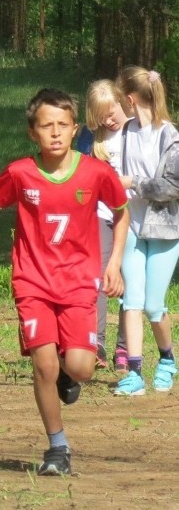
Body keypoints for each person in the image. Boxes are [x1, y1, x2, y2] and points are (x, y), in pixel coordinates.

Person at [0, 88, 129, 476]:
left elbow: (121, 213)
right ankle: (57, 447)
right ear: (32, 132)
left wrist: (115, 264)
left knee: (82, 368)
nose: (55, 133)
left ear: (75, 129)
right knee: (43, 366)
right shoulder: (21, 172)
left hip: (78, 283)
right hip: (32, 282)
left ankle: (66, 376)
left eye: (62, 125)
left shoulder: (96, 172)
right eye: (46, 126)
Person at [113, 67, 179, 397]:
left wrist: (133, 183)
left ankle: (167, 359)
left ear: (129, 98)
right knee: (132, 301)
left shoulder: (170, 135)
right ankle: (135, 371)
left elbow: (172, 186)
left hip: (166, 231)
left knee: (154, 305)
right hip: (131, 227)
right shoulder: (125, 132)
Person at [75, 80, 130, 370]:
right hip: (100, 214)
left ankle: (125, 348)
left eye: (111, 113)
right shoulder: (89, 137)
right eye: (101, 117)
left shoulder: (137, 131)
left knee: (129, 282)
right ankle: (97, 344)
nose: (108, 121)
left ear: (123, 101)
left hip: (133, 215)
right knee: (98, 278)